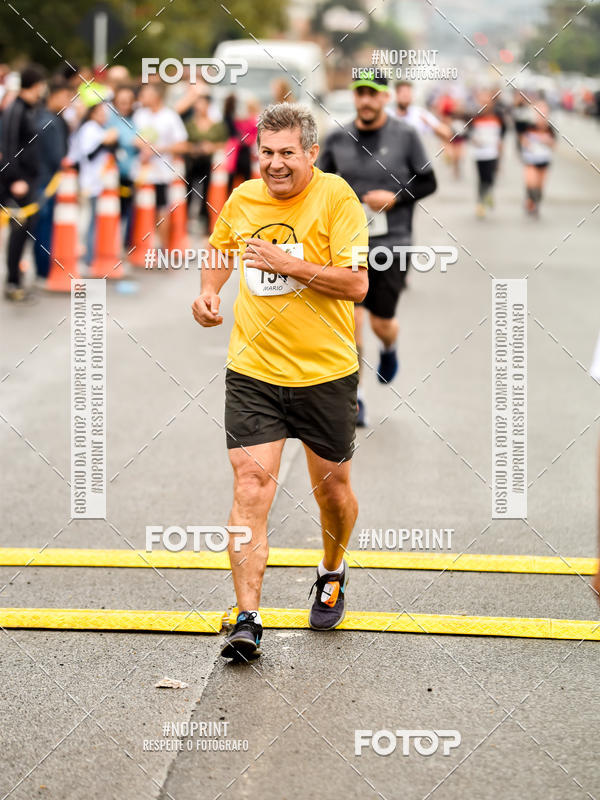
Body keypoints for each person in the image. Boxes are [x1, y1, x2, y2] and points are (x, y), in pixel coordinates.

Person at [191, 102, 369, 660]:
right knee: (250, 485)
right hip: (255, 371)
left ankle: (332, 570)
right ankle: (247, 617)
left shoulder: (337, 198)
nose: (275, 164)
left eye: (287, 153)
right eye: (266, 153)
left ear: (310, 153)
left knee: (333, 491)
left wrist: (287, 264)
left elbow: (357, 285)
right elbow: (221, 251)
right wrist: (209, 291)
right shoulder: (244, 198)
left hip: (325, 373)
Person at [319, 70, 437, 427]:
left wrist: (396, 197)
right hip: (345, 246)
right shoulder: (337, 138)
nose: (366, 100)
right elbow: (316, 185)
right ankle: (355, 398)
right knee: (350, 320)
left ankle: (388, 347)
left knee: (381, 323)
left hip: (392, 243)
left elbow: (429, 180)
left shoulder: (406, 135)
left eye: (373, 93)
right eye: (360, 93)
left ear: (385, 97)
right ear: (354, 97)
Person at [0, 64, 46, 301]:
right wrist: (15, 178)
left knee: (25, 232)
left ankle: (17, 277)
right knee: (18, 233)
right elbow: (8, 146)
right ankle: (12, 283)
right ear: (35, 85)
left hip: (29, 180)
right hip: (18, 182)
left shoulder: (29, 109)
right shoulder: (15, 109)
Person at [132, 82, 188, 247]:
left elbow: (182, 144)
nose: (142, 97)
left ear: (156, 96)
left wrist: (159, 149)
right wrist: (141, 146)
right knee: (138, 210)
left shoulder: (170, 116)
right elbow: (131, 136)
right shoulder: (139, 115)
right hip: (139, 173)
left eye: (146, 94)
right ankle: (138, 248)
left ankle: (162, 248)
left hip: (161, 175)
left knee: (161, 211)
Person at [33, 77, 72, 285]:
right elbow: (58, 156)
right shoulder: (51, 121)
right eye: (67, 97)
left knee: (41, 225)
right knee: (44, 226)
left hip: (42, 180)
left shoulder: (43, 117)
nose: (69, 102)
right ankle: (43, 270)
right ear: (55, 96)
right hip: (47, 181)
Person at [75, 99, 118, 266]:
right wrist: (104, 141)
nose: (103, 116)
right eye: (100, 113)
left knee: (95, 219)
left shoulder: (100, 129)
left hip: (100, 182)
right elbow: (90, 154)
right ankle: (88, 256)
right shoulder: (89, 129)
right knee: (89, 219)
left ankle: (92, 254)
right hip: (90, 182)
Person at [183, 93, 227, 230]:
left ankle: (207, 225)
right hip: (191, 162)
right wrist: (194, 148)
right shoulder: (189, 124)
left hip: (209, 164)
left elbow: (225, 143)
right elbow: (181, 142)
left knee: (207, 195)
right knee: (188, 192)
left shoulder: (217, 125)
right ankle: (185, 223)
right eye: (197, 104)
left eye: (202, 103)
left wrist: (211, 147)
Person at [467, 89, 507, 219]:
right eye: (482, 101)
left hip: (493, 153)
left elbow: (502, 136)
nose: (484, 104)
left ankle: (488, 194)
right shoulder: (474, 116)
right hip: (479, 153)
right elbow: (468, 133)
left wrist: (500, 155)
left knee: (490, 178)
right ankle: (480, 203)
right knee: (481, 178)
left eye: (487, 101)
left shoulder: (498, 116)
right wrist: (474, 140)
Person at [109, 85, 138, 246]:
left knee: (127, 211)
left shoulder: (134, 120)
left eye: (128, 102)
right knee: (112, 212)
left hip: (129, 174)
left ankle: (124, 243)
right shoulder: (108, 119)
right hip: (111, 175)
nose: (125, 106)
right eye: (121, 102)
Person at [519, 100, 555, 217]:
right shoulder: (528, 126)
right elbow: (521, 140)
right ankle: (530, 201)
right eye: (539, 112)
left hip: (544, 159)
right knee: (531, 182)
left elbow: (553, 144)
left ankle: (536, 203)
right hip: (531, 159)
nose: (541, 115)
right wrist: (526, 143)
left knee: (539, 186)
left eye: (544, 112)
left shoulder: (550, 128)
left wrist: (546, 141)